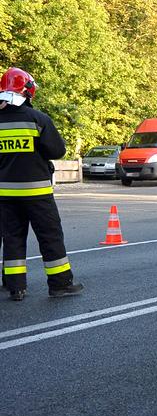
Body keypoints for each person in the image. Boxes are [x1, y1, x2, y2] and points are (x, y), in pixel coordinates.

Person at [0, 67, 83, 301]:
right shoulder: (38, 120)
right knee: (50, 237)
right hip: (37, 192)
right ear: (27, 91)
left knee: (12, 238)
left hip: (5, 193)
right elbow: (57, 150)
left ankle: (15, 288)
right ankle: (60, 284)